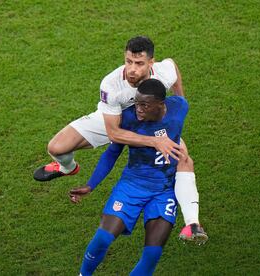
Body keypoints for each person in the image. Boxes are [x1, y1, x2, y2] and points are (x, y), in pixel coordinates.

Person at [33, 36, 207, 242]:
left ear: (151, 63)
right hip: (113, 119)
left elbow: (173, 67)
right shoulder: (111, 85)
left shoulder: (162, 71)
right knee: (56, 147)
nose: (132, 69)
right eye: (128, 61)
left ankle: (192, 224)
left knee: (183, 159)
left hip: (150, 121)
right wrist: (154, 142)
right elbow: (114, 133)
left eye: (139, 63)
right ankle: (67, 168)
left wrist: (179, 100)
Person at [70, 79, 190, 275]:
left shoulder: (179, 107)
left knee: (152, 255)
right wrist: (91, 185)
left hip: (165, 190)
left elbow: (173, 70)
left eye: (144, 105)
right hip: (131, 186)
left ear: (161, 104)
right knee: (103, 238)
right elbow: (111, 153)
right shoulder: (128, 119)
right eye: (136, 103)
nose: (138, 109)